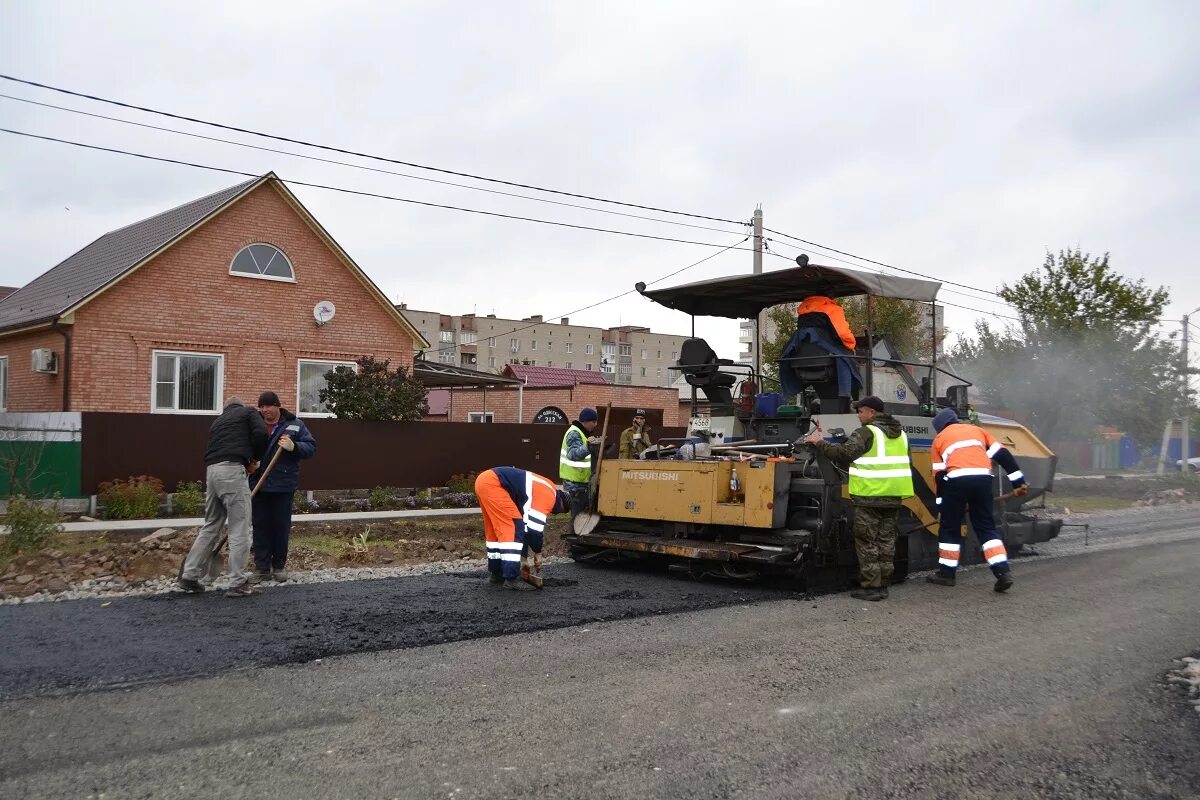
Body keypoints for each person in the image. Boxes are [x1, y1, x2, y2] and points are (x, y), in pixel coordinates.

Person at [802, 395, 913, 601]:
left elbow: (844, 454)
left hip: (869, 496)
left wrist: (820, 443)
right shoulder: (901, 435)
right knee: (886, 541)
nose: (859, 416)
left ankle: (872, 587)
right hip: (893, 496)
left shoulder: (867, 432)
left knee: (867, 541)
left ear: (872, 412)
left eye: (861, 411)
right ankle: (883, 585)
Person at [927, 408, 1028, 593]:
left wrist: (942, 507)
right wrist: (1018, 483)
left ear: (939, 427)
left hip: (955, 483)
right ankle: (1002, 572)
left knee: (950, 528)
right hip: (983, 481)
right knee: (986, 527)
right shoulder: (976, 430)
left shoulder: (938, 440)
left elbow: (939, 478)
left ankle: (947, 575)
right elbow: (1003, 456)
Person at [179, 396, 268, 597]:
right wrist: (254, 459)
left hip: (212, 471)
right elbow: (261, 433)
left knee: (211, 525)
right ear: (240, 406)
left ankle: (189, 576)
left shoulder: (218, 422)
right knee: (240, 527)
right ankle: (238, 582)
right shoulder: (248, 412)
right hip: (232, 470)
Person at [249, 391, 317, 582]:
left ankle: (279, 566)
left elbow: (311, 447)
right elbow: (246, 447)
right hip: (259, 485)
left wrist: (294, 446)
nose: (265, 410)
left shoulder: (295, 425)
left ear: (277, 406)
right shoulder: (256, 425)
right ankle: (262, 568)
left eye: (268, 406)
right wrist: (250, 463)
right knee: (260, 527)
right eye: (261, 407)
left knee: (280, 527)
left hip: (283, 485)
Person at [474, 467, 570, 591]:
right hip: (495, 484)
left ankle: (497, 574)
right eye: (561, 511)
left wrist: (523, 557)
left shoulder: (547, 487)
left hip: (485, 481)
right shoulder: (549, 497)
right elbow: (534, 530)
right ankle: (511, 579)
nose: (555, 512)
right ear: (562, 504)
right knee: (512, 527)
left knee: (495, 531)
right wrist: (538, 552)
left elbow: (525, 525)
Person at [560, 407, 600, 531]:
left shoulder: (581, 433)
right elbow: (573, 454)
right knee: (577, 513)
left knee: (581, 512)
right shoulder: (575, 433)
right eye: (593, 421)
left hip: (580, 480)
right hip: (574, 481)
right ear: (586, 421)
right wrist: (588, 446)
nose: (595, 424)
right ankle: (574, 540)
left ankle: (578, 536)